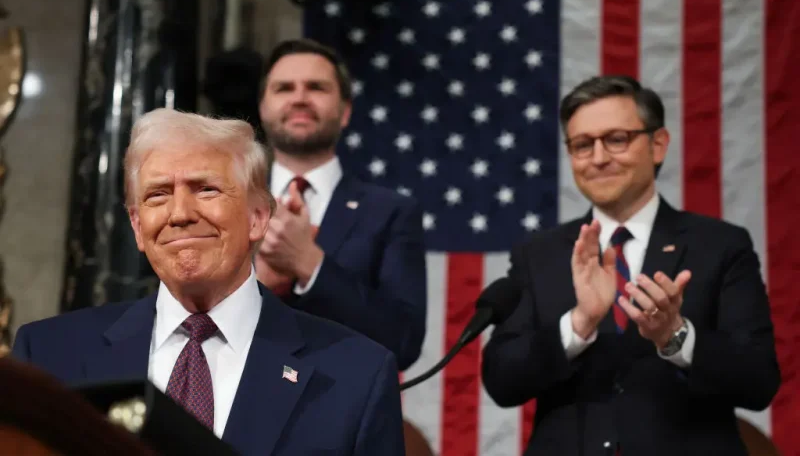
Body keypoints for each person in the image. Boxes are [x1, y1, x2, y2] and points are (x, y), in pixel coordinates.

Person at [12, 109, 405, 456]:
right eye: (157, 195)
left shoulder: (357, 375)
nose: (180, 213)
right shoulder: (47, 357)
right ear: (136, 225)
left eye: (206, 189)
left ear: (258, 217)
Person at [481, 76, 780, 456]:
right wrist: (578, 324)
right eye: (582, 145)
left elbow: (759, 382)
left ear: (657, 145)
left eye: (617, 139)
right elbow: (502, 382)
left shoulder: (720, 246)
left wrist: (675, 336)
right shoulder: (539, 253)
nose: (599, 157)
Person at [255, 38, 427, 371]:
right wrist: (255, 287)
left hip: (339, 414)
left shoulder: (390, 212)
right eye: (284, 88)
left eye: (316, 88)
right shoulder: (225, 205)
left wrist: (309, 264)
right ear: (263, 108)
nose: (300, 98)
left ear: (345, 111)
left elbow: (403, 342)